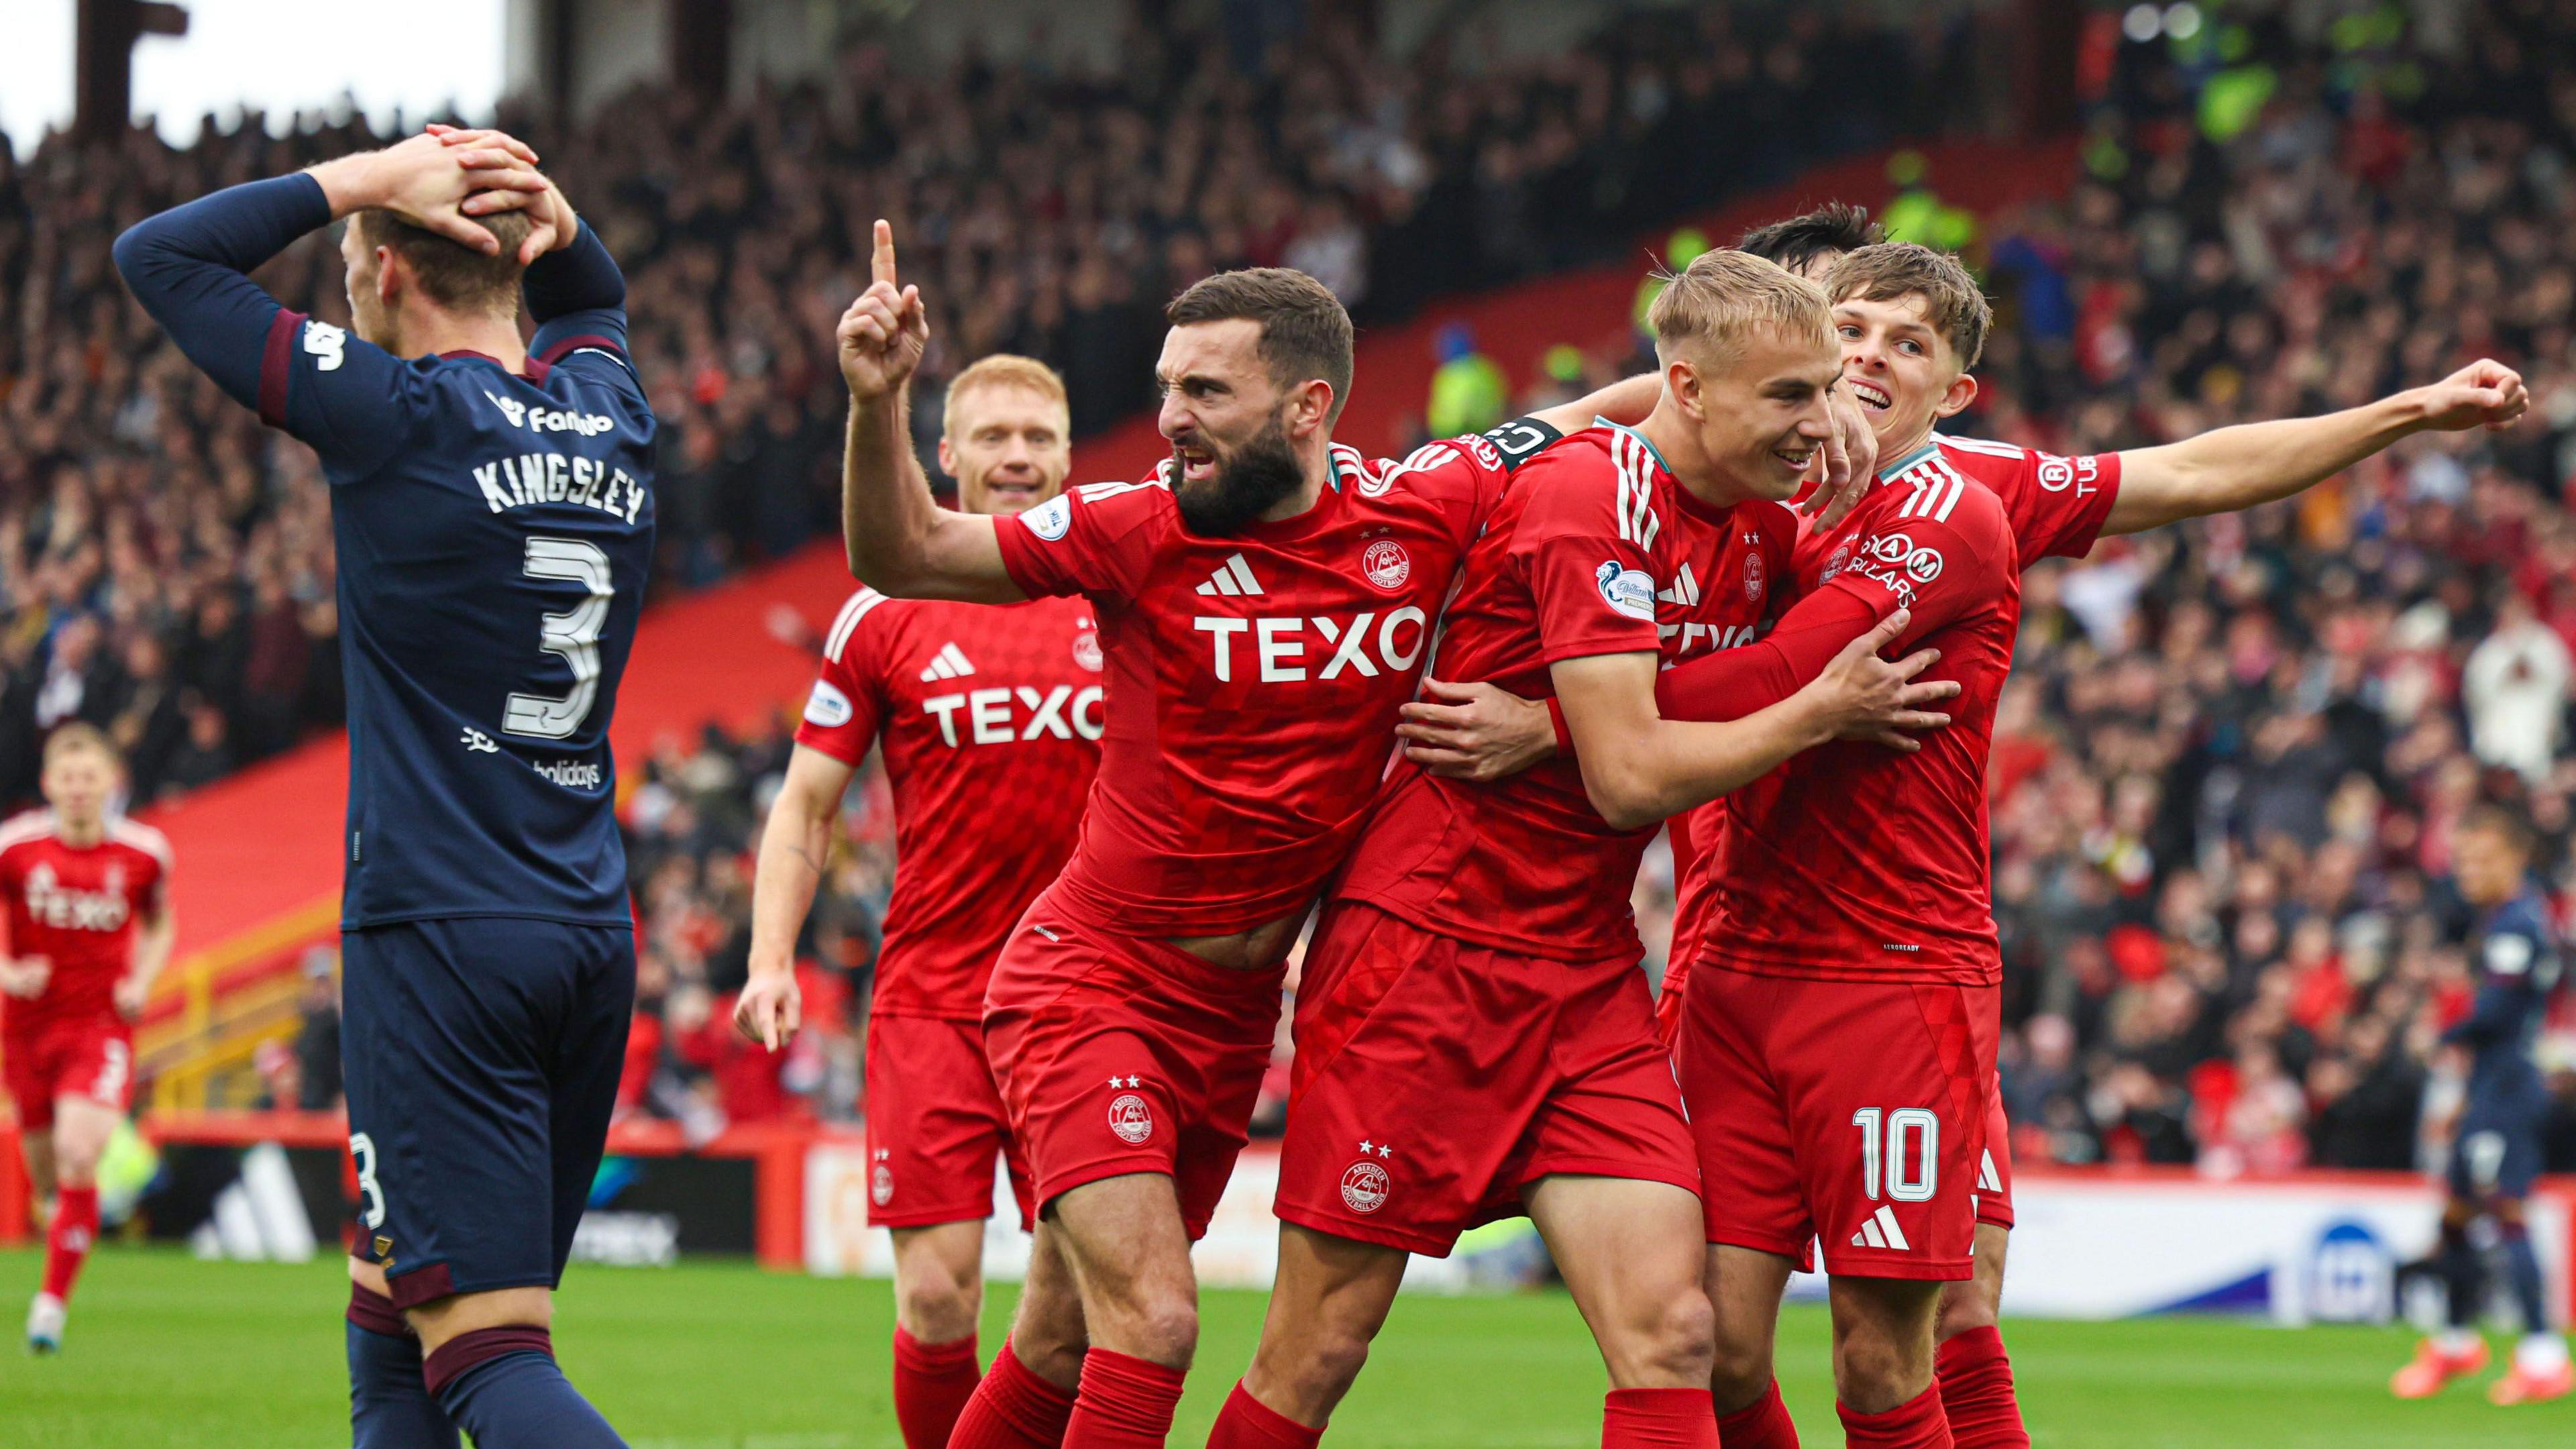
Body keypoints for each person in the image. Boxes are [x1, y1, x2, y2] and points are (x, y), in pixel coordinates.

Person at [1432, 238, 2530, 1448]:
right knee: (1716, 1347)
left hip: (1894, 973)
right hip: (1727, 961)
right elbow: (1580, 428)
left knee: (1919, 1333)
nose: (1866, 361)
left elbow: (2194, 472)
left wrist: (2409, 411)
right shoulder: (1745, 463)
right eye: (1848, 332)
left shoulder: (1964, 499)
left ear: (1954, 390)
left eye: (1909, 345)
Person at [830, 222, 1774, 1448]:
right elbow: (904, 551)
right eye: (1167, 386)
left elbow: (1648, 392)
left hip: (1234, 1019)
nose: (1170, 416)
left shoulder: (1427, 503)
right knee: (1159, 1321)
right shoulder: (1135, 526)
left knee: (1062, 1332)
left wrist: (1823, 411)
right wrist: (879, 402)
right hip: (1093, 981)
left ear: (1308, 405)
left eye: (1205, 390)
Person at [1209, 251, 1956, 1449]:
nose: (1820, 423)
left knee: (1675, 1332)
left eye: (1825, 392)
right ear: (1691, 388)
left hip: (1585, 974)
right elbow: (1629, 777)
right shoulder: (1584, 495)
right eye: (1790, 397)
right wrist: (1819, 710)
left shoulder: (1763, 523)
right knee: (1319, 1349)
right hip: (1427, 961)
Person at [116, 125, 653, 1449]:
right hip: (583, 927)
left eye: (355, 258)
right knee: (392, 1350)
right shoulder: (610, 413)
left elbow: (160, 255)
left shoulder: (399, 416)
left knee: (486, 1362)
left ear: (389, 272)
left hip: (439, 939)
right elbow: (594, 298)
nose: (344, 279)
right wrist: (541, 207)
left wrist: (364, 174)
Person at [731, 354, 1104, 1449]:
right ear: (946, 455)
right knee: (939, 1297)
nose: (1018, 456)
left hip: (1091, 1001)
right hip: (936, 998)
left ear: (1071, 454)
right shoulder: (886, 612)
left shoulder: (1124, 591)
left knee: (1077, 1311)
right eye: (992, 437)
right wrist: (767, 959)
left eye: (1038, 436)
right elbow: (805, 807)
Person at [2391, 805, 2573, 1406]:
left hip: (2511, 1092)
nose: (2468, 869)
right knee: (2459, 1215)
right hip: (2489, 1089)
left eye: (2482, 858)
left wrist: (2441, 1037)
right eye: (2463, 857)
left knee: (2507, 1211)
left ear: (2516, 858)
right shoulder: (2500, 920)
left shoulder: (2519, 923)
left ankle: (2543, 1355)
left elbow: (2497, 1015)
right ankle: (2456, 1342)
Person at [1, 724, 174, 1352]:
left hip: (100, 1027)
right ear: (49, 784)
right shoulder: (15, 849)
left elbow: (160, 922)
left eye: (90, 777)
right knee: (47, 1169)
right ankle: (67, 1219)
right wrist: (8, 970)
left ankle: (50, 1308)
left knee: (78, 1150)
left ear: (111, 782)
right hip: (26, 1029)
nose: (78, 789)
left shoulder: (144, 852)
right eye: (67, 778)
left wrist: (142, 981)